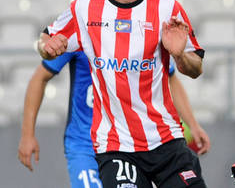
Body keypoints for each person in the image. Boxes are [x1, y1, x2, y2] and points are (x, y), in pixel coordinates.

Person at [39, 0, 207, 188]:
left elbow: (196, 69)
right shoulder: (85, 9)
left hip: (166, 139)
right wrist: (46, 47)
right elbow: (46, 39)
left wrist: (178, 54)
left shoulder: (167, 7)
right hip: (115, 146)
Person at [17, 49, 210, 187]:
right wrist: (27, 134)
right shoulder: (80, 24)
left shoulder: (139, 28)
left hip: (126, 145)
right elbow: (40, 77)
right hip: (85, 145)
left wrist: (193, 124)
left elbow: (170, 77)